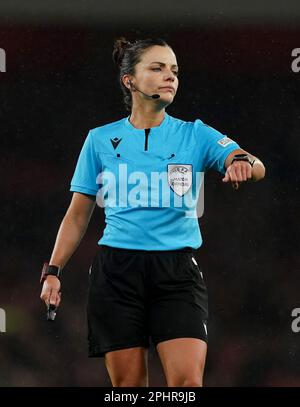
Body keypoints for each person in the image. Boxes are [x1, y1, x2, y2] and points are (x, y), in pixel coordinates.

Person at [40, 37, 266, 387]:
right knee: (128, 389)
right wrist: (53, 271)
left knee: (187, 387)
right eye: (157, 68)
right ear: (129, 79)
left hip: (176, 273)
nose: (170, 76)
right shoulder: (100, 140)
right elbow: (78, 214)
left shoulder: (195, 134)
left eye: (174, 70)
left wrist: (240, 163)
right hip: (117, 272)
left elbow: (255, 164)